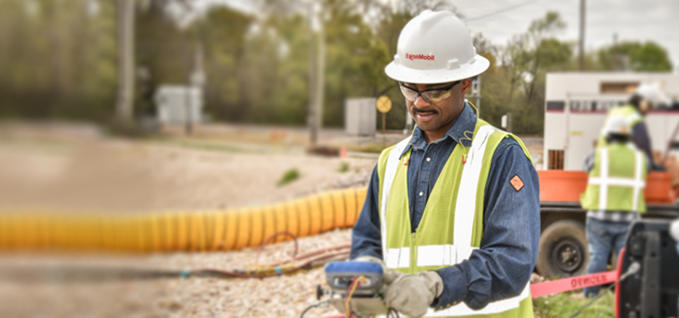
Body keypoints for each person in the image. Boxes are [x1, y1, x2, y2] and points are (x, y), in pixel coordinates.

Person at [349, 10, 540, 318]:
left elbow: (513, 260)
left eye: (434, 91)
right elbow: (367, 239)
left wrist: (438, 284)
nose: (419, 103)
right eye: (409, 88)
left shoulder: (501, 155)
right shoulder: (389, 162)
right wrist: (366, 269)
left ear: (465, 83)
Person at [581, 114, 649, 298]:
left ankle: (591, 295)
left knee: (598, 257)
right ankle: (630, 296)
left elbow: (586, 167)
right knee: (628, 259)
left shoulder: (598, 155)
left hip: (599, 218)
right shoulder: (639, 157)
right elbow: (646, 171)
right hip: (629, 219)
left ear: (608, 135)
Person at [600, 84, 671, 171]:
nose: (649, 111)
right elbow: (645, 155)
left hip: (602, 164)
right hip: (624, 169)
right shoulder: (635, 119)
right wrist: (661, 169)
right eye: (650, 106)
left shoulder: (614, 112)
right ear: (644, 104)